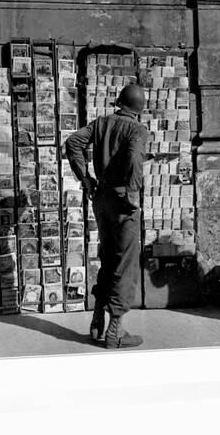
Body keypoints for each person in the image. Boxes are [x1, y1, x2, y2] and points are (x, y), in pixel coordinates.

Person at [65, 83, 148, 349]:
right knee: (125, 263)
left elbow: (73, 142)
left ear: (119, 102)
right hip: (123, 201)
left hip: (102, 199)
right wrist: (133, 193)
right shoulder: (137, 129)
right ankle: (115, 330)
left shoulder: (101, 123)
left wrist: (86, 179)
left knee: (107, 256)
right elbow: (135, 159)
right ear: (138, 109)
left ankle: (97, 319)